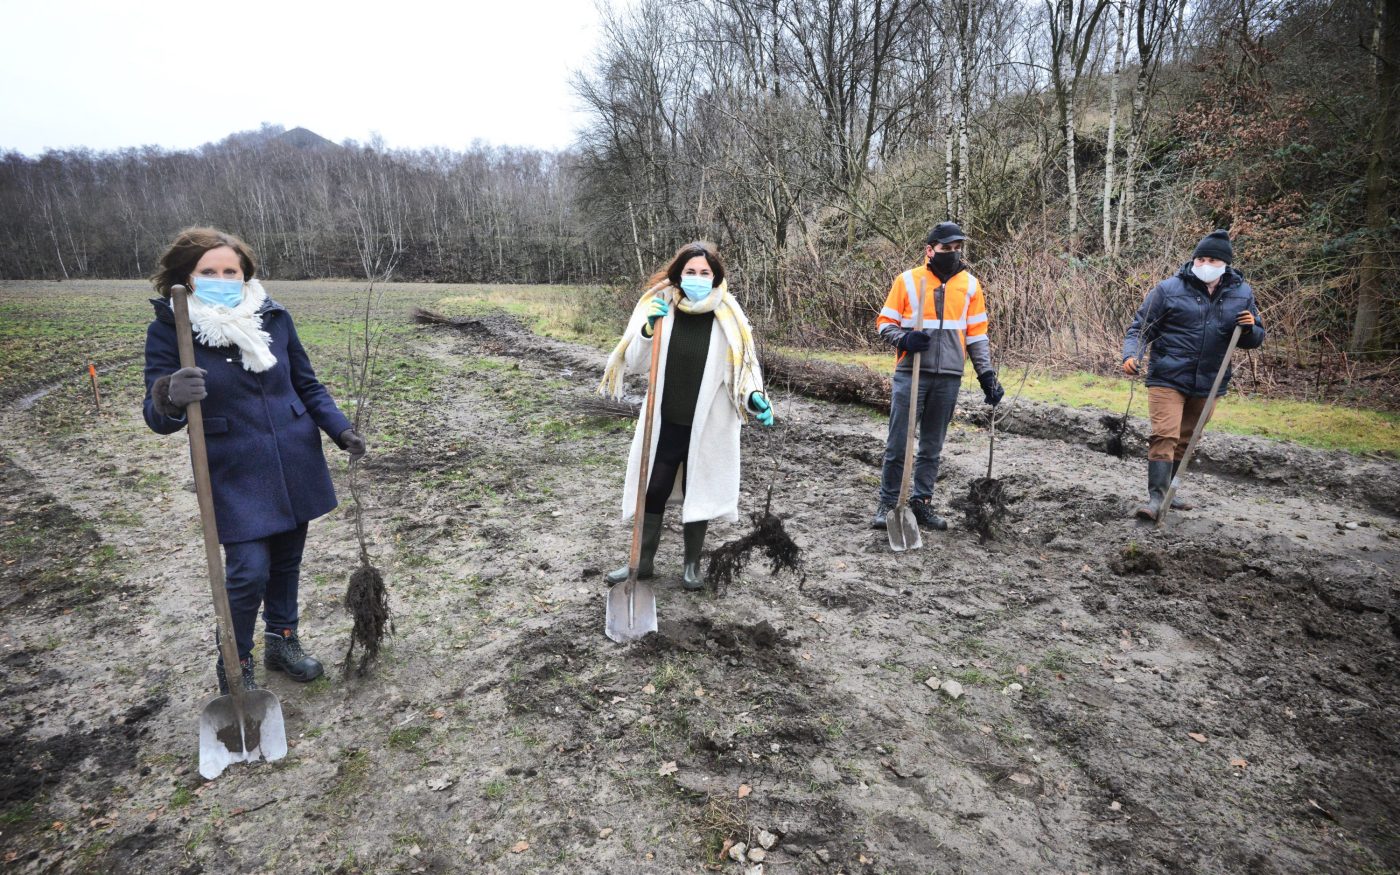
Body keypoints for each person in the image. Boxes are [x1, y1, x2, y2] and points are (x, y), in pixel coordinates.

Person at [142, 227, 366, 693]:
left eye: (231, 271)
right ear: (186, 276)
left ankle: (282, 641)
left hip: (293, 454)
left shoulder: (273, 317)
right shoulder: (172, 328)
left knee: (286, 561)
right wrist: (169, 394)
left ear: (245, 275)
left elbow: (306, 383)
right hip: (233, 467)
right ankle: (235, 661)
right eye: (209, 271)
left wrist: (339, 428)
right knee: (248, 571)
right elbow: (158, 418)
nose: (222, 279)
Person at [598, 241, 773, 590]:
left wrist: (755, 396)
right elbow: (635, 362)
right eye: (690, 272)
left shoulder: (729, 315)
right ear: (679, 274)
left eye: (704, 273)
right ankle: (642, 562)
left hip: (708, 424)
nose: (697, 278)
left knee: (699, 491)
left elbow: (746, 366)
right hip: (665, 422)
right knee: (654, 489)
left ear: (715, 276)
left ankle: (691, 566)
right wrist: (647, 330)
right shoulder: (659, 306)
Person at [1121, 229, 1264, 520]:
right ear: (1193, 260)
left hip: (1210, 380)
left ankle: (1170, 494)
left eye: (1212, 260)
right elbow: (1141, 328)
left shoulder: (1242, 293)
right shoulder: (1168, 289)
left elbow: (1253, 339)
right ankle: (1156, 499)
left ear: (1225, 264)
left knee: (1186, 439)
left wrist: (1251, 328)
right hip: (1168, 376)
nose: (1205, 265)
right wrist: (1131, 355)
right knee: (1165, 434)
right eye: (1200, 259)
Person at [872, 222, 1004, 530]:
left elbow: (977, 336)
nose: (953, 253)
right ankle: (888, 504)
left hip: (949, 376)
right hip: (911, 372)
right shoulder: (908, 280)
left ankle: (922, 504)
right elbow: (884, 324)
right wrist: (904, 339)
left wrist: (986, 375)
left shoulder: (970, 285)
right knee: (899, 443)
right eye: (946, 248)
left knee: (932, 447)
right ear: (930, 250)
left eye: (957, 248)